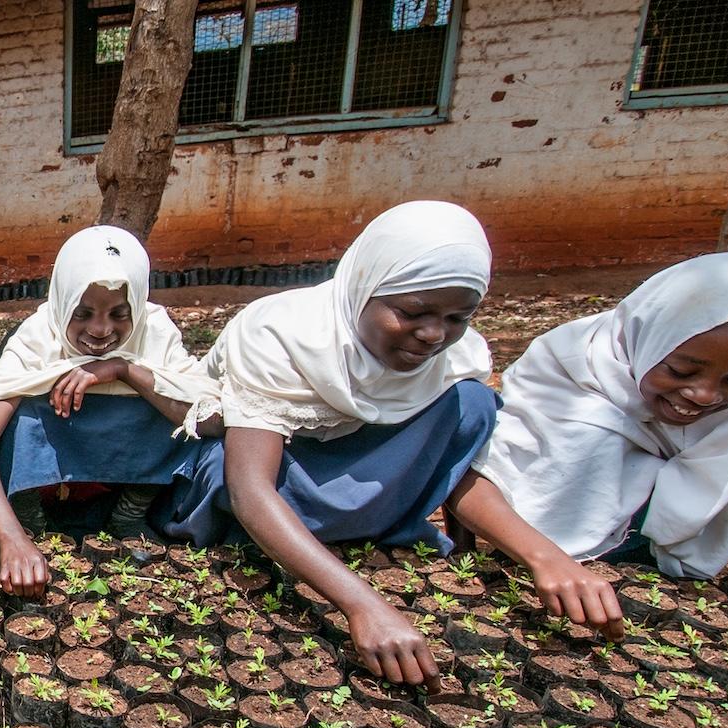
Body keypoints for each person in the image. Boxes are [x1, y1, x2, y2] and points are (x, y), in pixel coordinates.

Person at [159, 201, 512, 690]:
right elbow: (249, 488)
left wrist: (542, 558)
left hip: (349, 481)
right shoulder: (281, 333)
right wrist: (362, 603)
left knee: (472, 402)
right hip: (263, 489)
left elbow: (462, 467)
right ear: (364, 286)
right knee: (223, 462)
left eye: (459, 316)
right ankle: (289, 546)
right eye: (412, 312)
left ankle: (341, 537)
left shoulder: (458, 356)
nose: (434, 334)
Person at [469, 252, 728, 581]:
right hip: (549, 543)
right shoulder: (576, 370)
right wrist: (543, 557)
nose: (704, 394)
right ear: (648, 339)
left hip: (661, 539)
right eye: (681, 371)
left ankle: (667, 569)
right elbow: (473, 475)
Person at [0, 226, 218, 597]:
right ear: (63, 301)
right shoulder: (38, 337)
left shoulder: (155, 332)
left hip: (120, 473)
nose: (100, 329)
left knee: (173, 403)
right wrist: (12, 536)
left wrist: (124, 370)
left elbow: (211, 420)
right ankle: (33, 521)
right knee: (18, 415)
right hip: (51, 483)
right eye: (82, 313)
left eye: (119, 314)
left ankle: (128, 514)